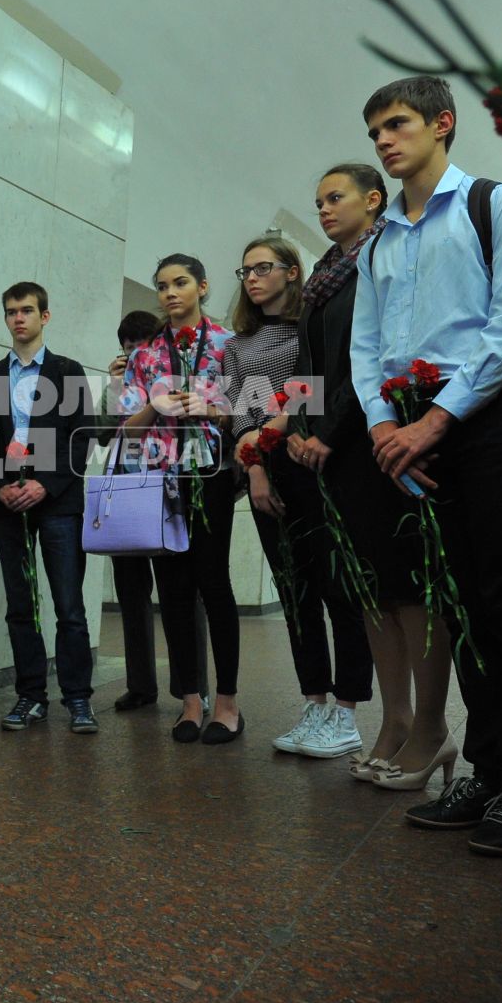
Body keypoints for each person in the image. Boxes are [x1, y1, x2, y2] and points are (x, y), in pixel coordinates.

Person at [351, 76, 502, 856]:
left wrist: (441, 416)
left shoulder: (495, 204)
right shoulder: (380, 240)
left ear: (443, 125)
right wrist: (386, 426)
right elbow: (366, 346)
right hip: (415, 426)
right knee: (461, 601)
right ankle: (489, 768)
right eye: (374, 129)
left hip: (493, 415)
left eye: (398, 123)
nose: (382, 140)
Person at [271, 163, 434, 785]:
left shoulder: (386, 259)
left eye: (334, 198)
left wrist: (328, 432)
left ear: (373, 200)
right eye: (316, 202)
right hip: (327, 448)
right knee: (365, 588)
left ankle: (424, 724)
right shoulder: (321, 278)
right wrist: (297, 429)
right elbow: (315, 365)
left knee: (402, 585)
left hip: (375, 437)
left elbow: (372, 360)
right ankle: (393, 721)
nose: (323, 209)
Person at [225, 233, 371, 759]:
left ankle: (349, 711)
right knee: (295, 593)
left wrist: (266, 435)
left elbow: (310, 393)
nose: (253, 278)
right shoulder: (238, 346)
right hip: (266, 476)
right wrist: (256, 468)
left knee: (339, 590)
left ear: (292, 270)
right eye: (245, 271)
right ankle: (315, 703)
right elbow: (242, 416)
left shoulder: (314, 326)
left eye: (263, 267)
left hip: (316, 465)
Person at [116, 254, 243, 745]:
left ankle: (228, 703)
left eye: (181, 283)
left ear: (203, 287)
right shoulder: (145, 355)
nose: (170, 293)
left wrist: (210, 406)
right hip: (160, 480)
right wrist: (156, 404)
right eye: (163, 286)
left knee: (214, 584)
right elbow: (124, 427)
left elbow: (251, 413)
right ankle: (190, 701)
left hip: (211, 476)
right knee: (171, 591)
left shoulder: (230, 345)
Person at [0, 283, 99, 732]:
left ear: (45, 316)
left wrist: (46, 484)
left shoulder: (68, 371)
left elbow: (83, 437)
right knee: (21, 606)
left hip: (59, 505)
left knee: (69, 606)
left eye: (26, 311)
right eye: (10, 312)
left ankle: (78, 699)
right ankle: (30, 696)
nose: (18, 318)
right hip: (9, 506)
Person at [106, 312, 210, 712]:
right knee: (131, 595)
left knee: (181, 593)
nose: (135, 353)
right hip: (128, 495)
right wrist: (114, 386)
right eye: (127, 346)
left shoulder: (178, 378)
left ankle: (192, 686)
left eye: (141, 344)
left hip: (170, 492)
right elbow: (104, 433)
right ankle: (140, 685)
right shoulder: (123, 381)